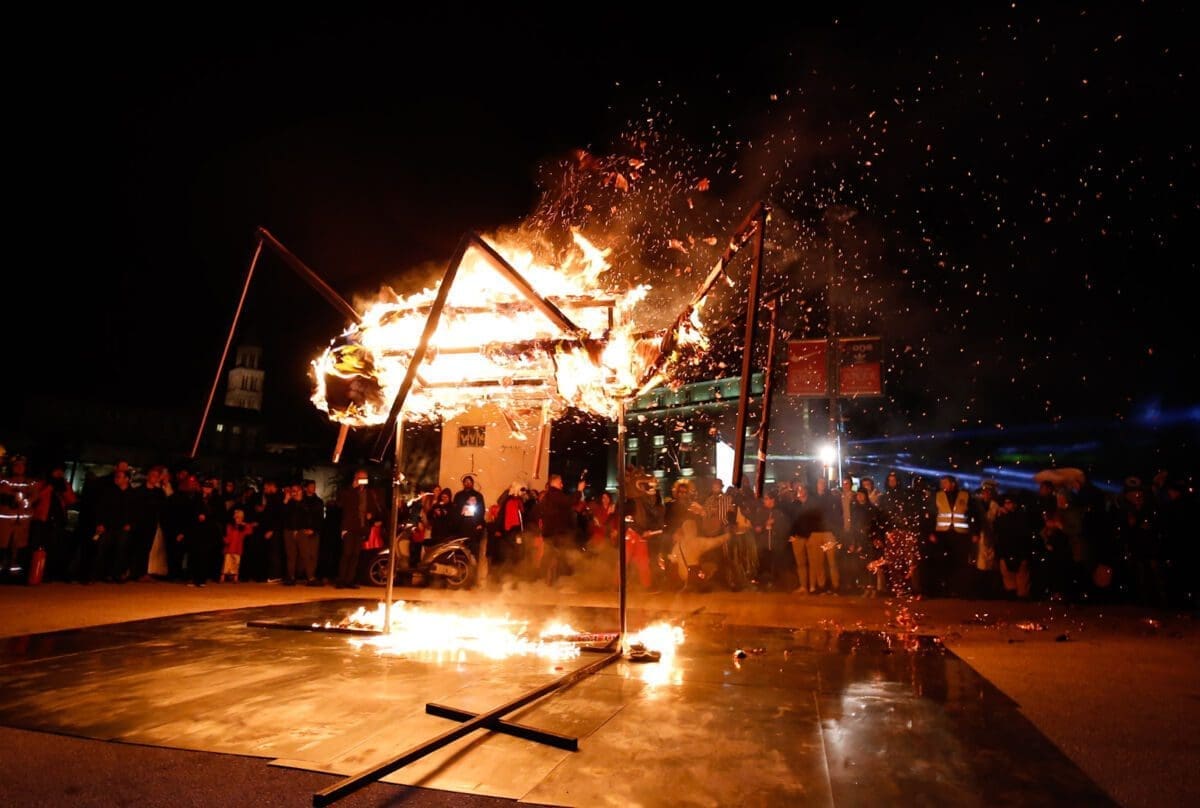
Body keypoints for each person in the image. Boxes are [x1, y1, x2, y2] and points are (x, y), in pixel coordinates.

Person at [335, 469, 384, 589]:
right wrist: (352, 488)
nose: (363, 481)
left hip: (361, 527)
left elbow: (374, 508)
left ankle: (350, 580)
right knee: (347, 553)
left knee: (355, 555)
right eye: (361, 478)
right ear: (356, 478)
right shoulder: (348, 491)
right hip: (349, 527)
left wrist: (371, 515)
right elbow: (340, 504)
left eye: (365, 478)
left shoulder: (369, 493)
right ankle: (341, 580)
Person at [536, 474, 581, 586]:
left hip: (549, 532)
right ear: (554, 482)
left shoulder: (547, 497)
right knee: (553, 557)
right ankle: (550, 581)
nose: (562, 485)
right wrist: (579, 490)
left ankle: (549, 581)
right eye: (560, 482)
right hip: (555, 533)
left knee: (552, 557)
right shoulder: (555, 495)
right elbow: (570, 501)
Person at [221, 507, 254, 583]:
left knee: (236, 563)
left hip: (238, 548)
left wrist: (244, 524)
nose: (237, 519)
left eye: (239, 517)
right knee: (226, 563)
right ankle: (222, 577)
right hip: (229, 548)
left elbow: (250, 531)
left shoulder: (243, 527)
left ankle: (235, 578)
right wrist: (225, 540)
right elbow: (228, 536)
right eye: (236, 517)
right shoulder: (230, 526)